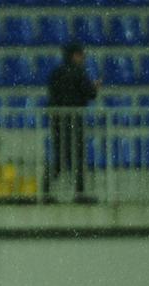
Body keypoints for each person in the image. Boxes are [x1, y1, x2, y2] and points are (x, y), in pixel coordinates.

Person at [44, 41, 100, 203]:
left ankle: (45, 191)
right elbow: (90, 94)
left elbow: (52, 96)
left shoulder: (56, 73)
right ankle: (79, 194)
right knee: (78, 158)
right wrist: (95, 88)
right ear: (75, 55)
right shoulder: (79, 73)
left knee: (60, 157)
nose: (83, 59)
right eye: (81, 55)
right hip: (75, 120)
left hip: (58, 121)